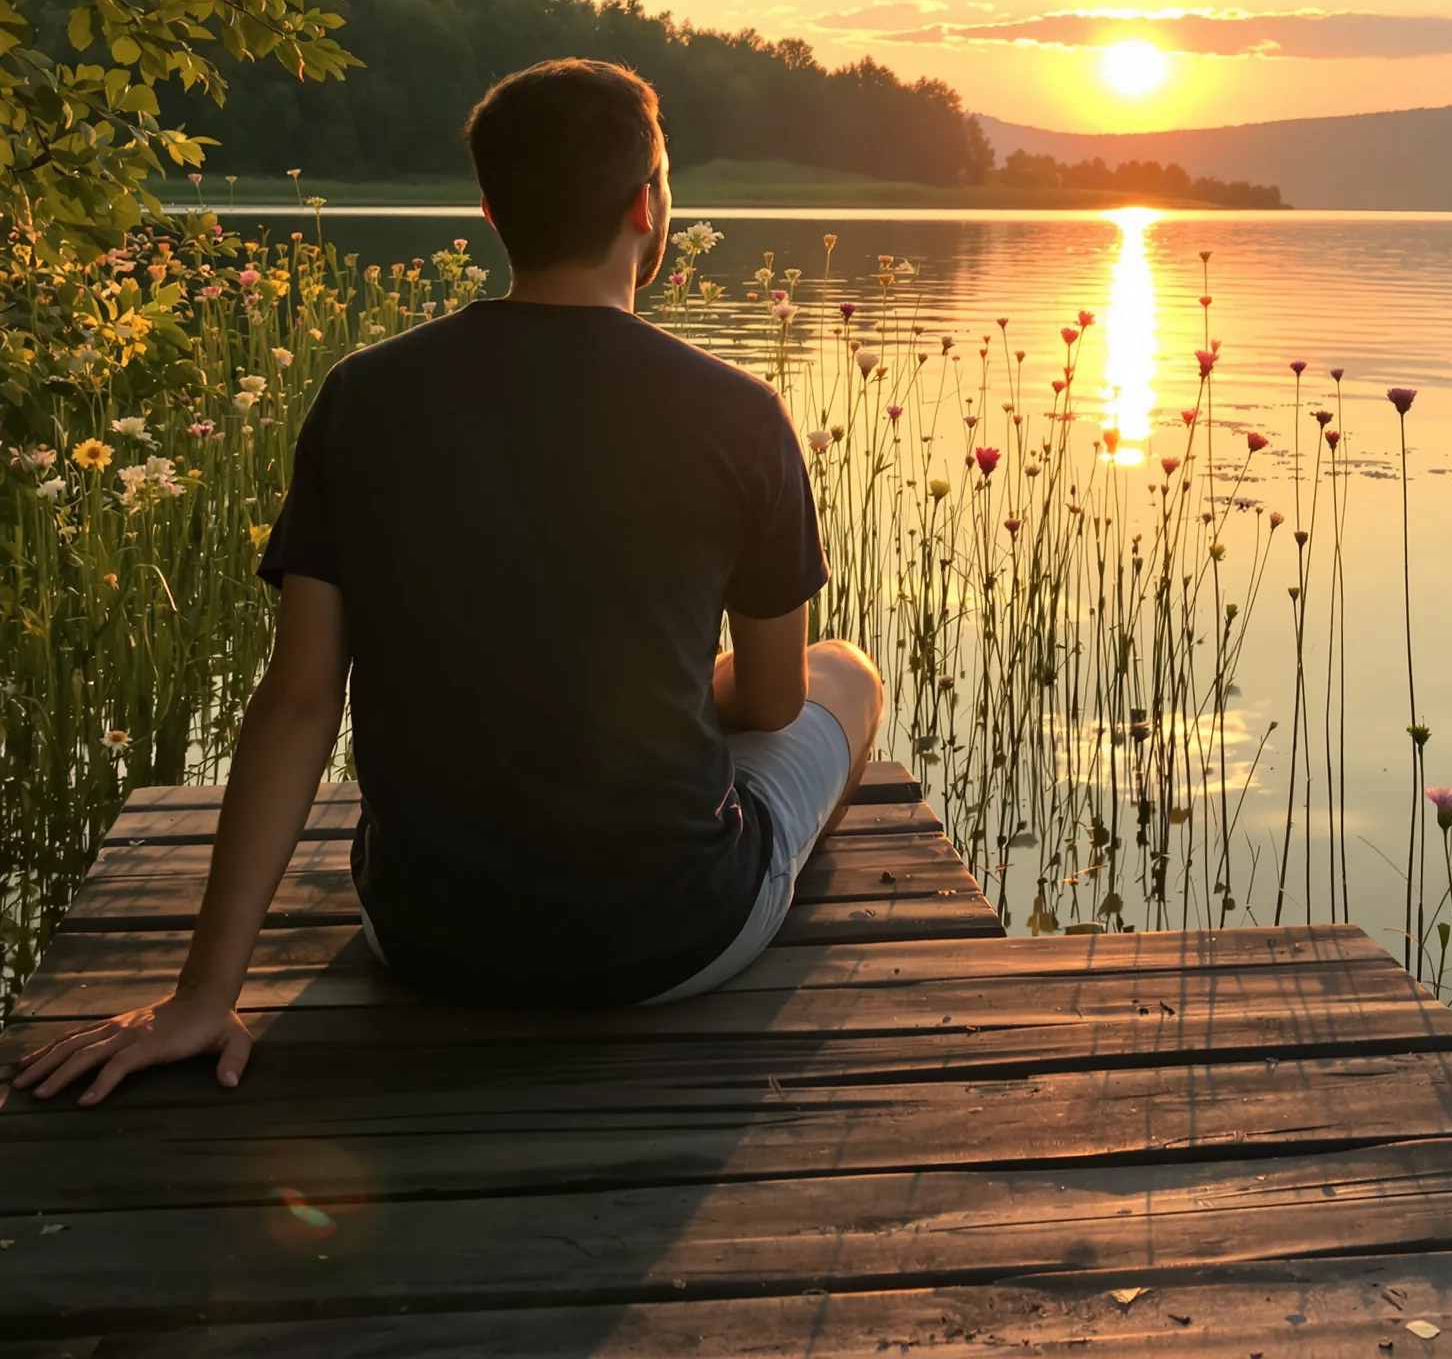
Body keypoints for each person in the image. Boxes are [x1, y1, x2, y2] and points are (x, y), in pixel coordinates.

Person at [14, 58, 881, 1105]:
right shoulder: (739, 412)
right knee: (847, 673)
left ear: (489, 207)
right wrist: (662, 700)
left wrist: (204, 991)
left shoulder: (363, 396)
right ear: (646, 209)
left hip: (425, 937)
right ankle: (764, 875)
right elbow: (779, 699)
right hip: (671, 942)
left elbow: (295, 699)